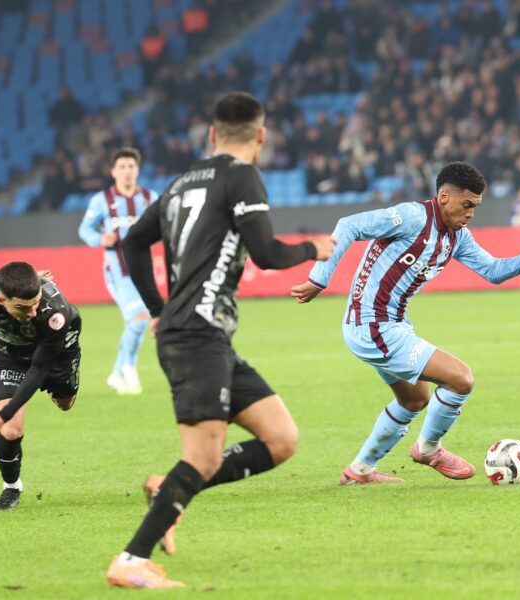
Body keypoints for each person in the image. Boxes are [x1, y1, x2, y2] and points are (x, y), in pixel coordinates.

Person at [106, 92, 334, 588]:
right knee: (204, 455)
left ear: (212, 134)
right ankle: (130, 560)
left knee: (281, 439)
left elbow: (133, 241)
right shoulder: (242, 176)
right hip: (196, 337)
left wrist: (158, 308)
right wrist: (311, 248)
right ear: (262, 135)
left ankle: (169, 490)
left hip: (207, 336)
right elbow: (266, 253)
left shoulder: (182, 181)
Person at [291, 162, 520, 485]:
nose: (470, 214)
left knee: (414, 400)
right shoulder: (412, 217)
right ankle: (428, 449)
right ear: (444, 197)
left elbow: (492, 271)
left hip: (390, 325)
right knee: (461, 379)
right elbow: (348, 225)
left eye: (475, 207)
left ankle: (359, 471)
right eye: (466, 205)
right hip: (373, 326)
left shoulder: (457, 237)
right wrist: (319, 279)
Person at [0, 262, 82, 509]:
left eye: (35, 303)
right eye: (22, 307)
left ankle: (59, 390)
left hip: (57, 354)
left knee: (65, 404)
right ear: (0, 299)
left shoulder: (55, 314)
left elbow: (38, 370)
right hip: (11, 357)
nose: (31, 312)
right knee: (10, 430)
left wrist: (2, 414)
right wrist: (5, 417)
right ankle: (11, 488)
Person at [78, 148, 158, 395]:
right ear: (113, 172)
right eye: (122, 167)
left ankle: (116, 373)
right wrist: (101, 238)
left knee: (136, 322)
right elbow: (85, 230)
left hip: (143, 269)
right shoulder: (102, 200)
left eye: (131, 166)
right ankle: (128, 368)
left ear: (138, 170)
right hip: (117, 271)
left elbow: (164, 224)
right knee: (139, 318)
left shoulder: (150, 198)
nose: (127, 171)